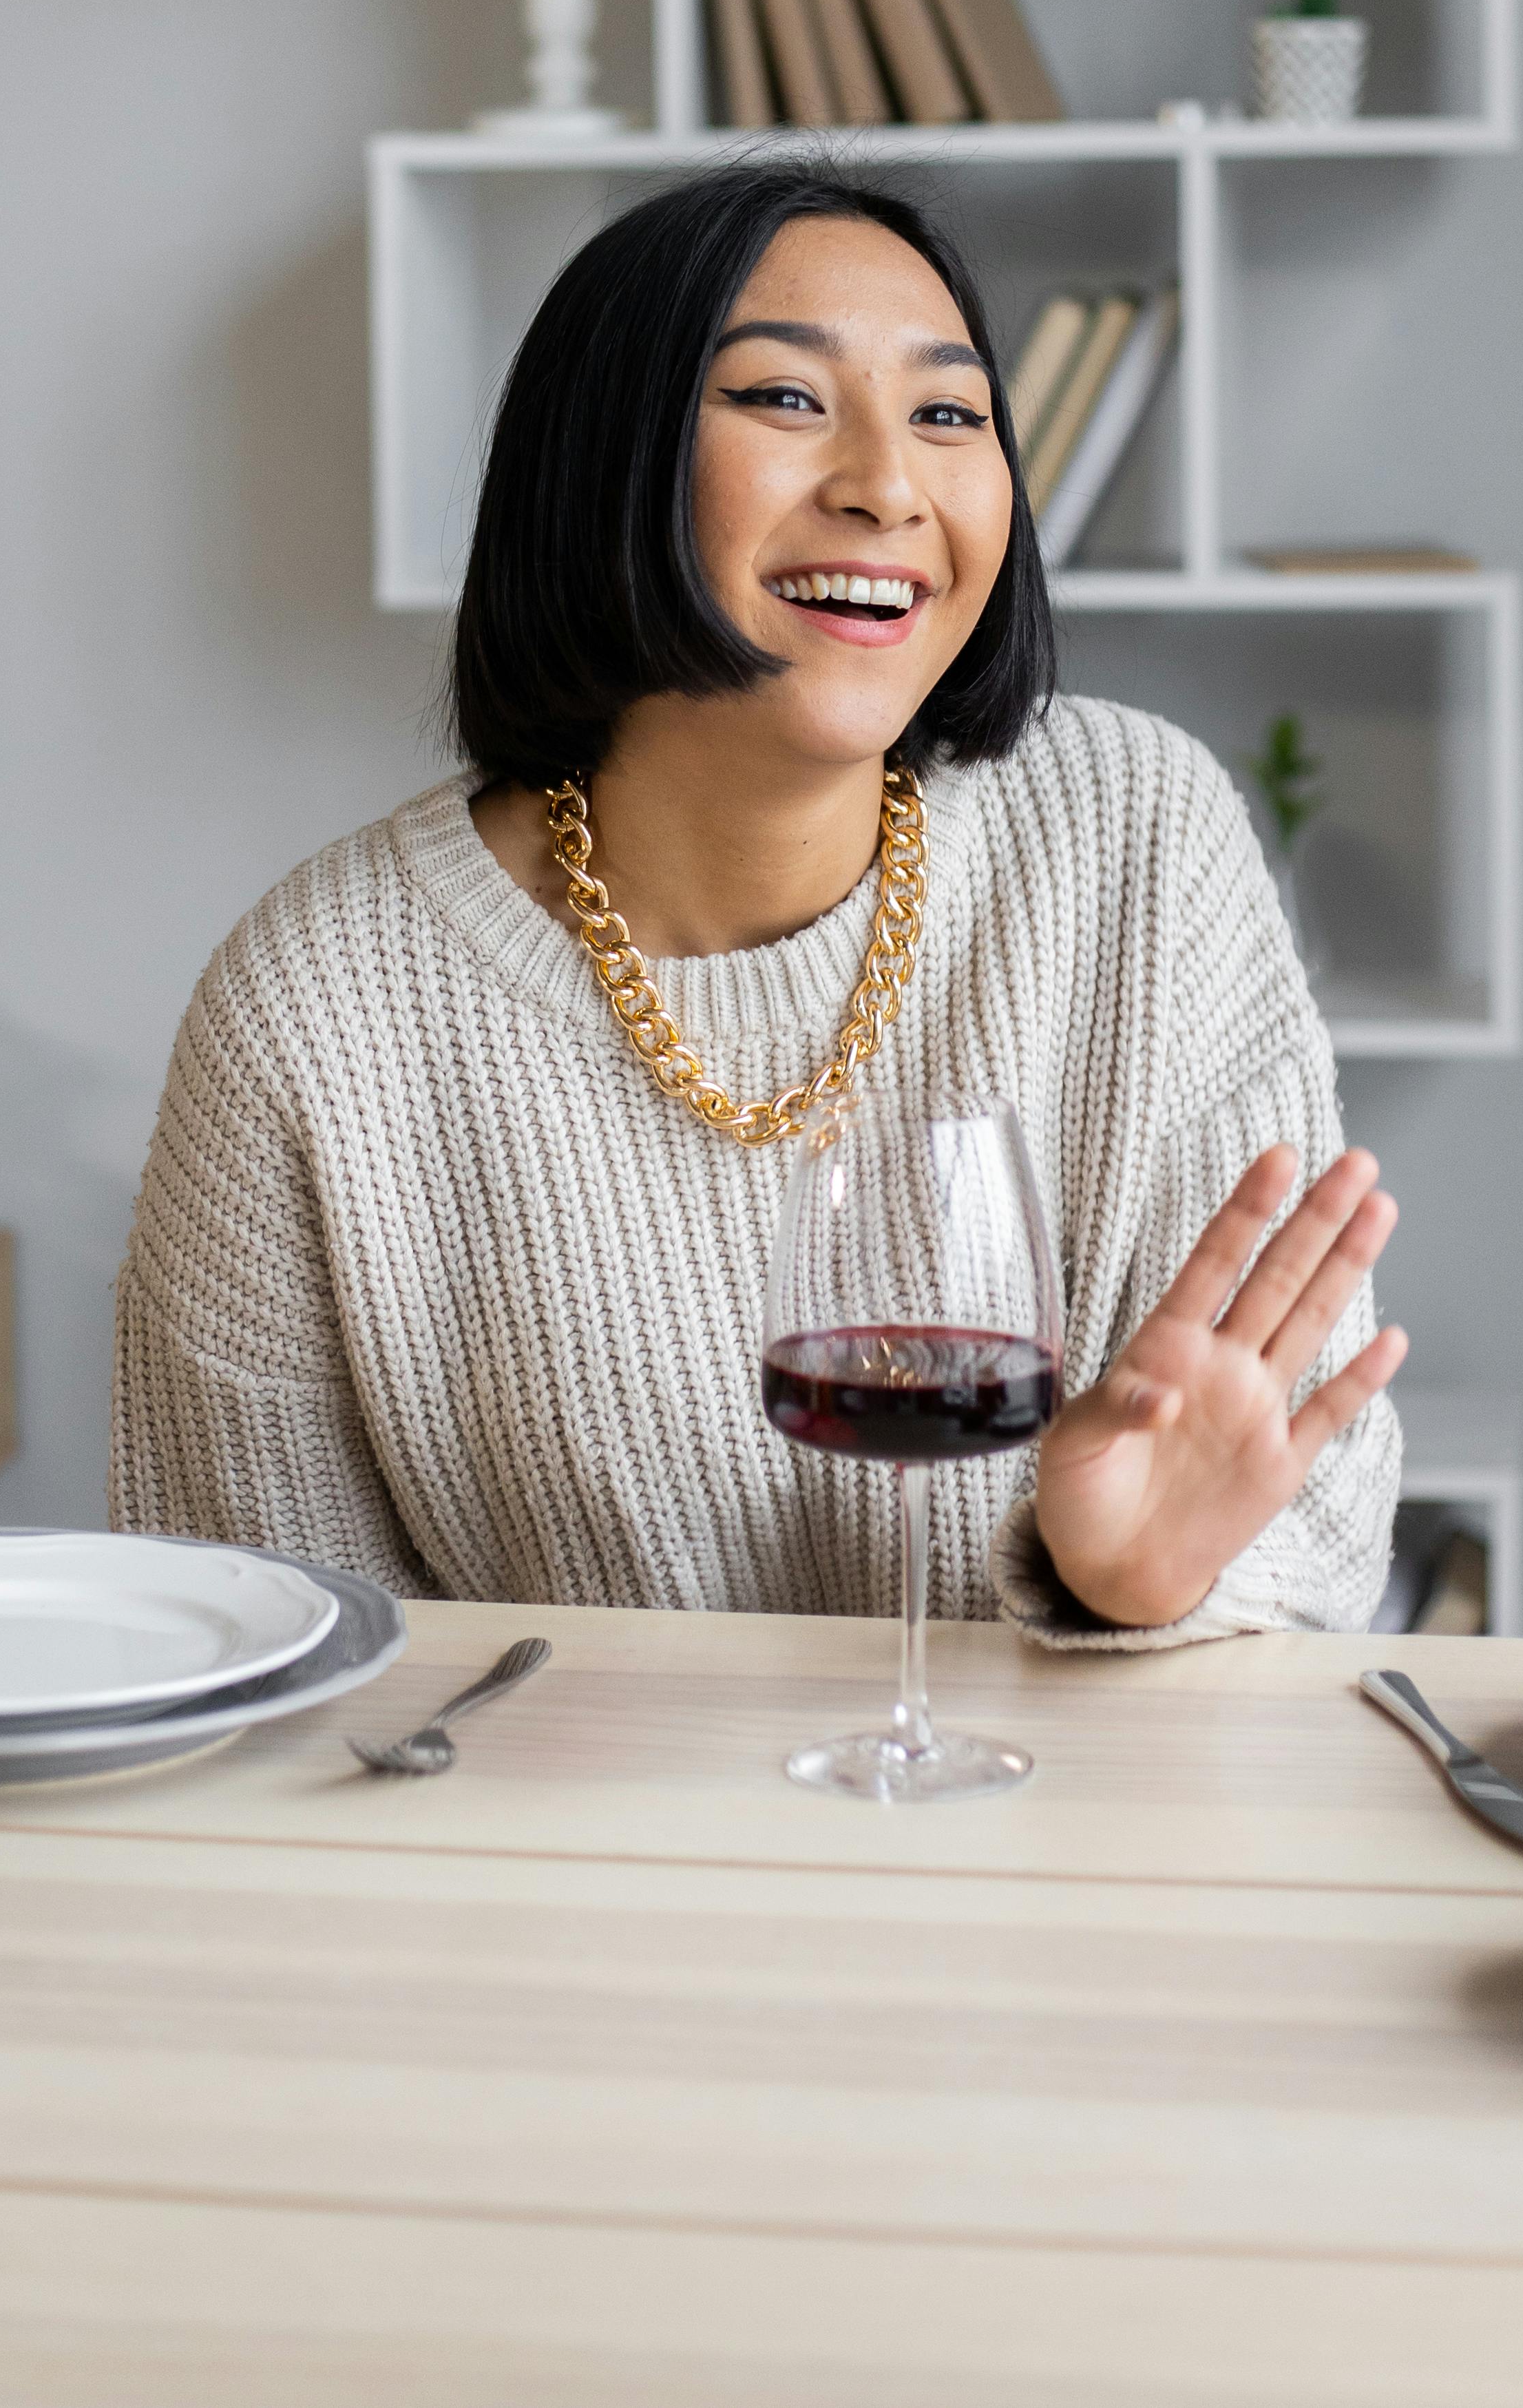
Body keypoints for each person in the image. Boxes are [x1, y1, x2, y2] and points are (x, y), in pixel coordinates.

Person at [114, 160, 1404, 1643]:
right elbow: (260, 1642)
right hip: (565, 1866)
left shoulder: (1136, 840)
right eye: (786, 399)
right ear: (605, 461)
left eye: (949, 413)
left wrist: (1125, 1578)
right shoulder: (317, 1009)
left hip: (1068, 1840)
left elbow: (1308, 1500)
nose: (888, 483)